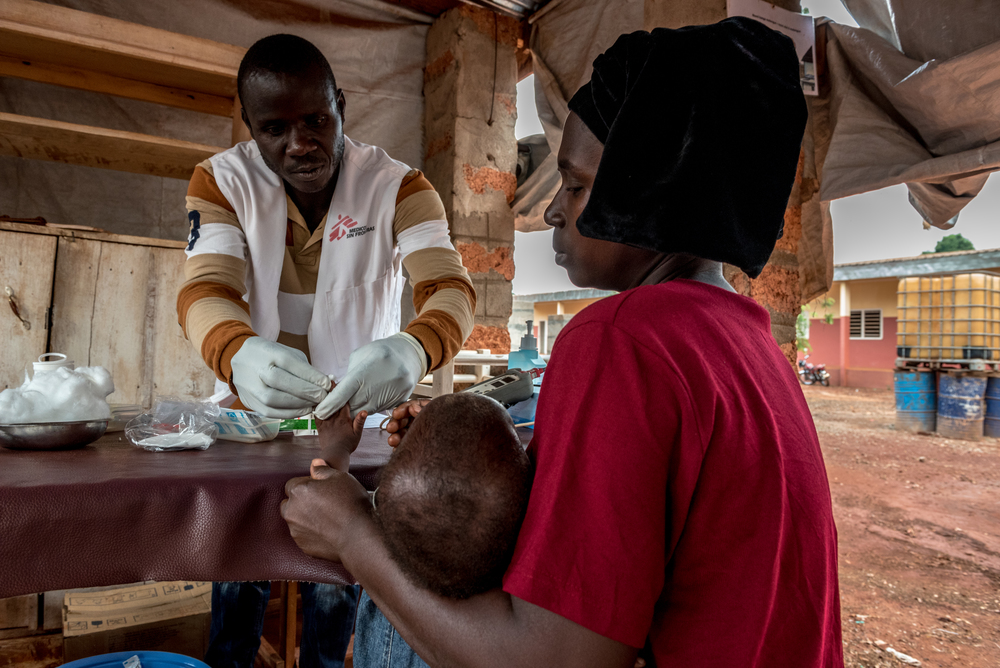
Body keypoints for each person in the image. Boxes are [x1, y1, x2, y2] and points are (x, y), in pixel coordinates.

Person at [281, 17, 844, 668]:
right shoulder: (748, 346)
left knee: (391, 602)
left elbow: (550, 659)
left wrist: (355, 536)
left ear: (650, 192)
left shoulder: (622, 340)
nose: (552, 209)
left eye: (574, 186)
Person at [176, 34, 476, 668]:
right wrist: (237, 354)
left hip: (349, 423)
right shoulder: (220, 181)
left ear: (342, 105)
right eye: (274, 128)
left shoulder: (399, 187)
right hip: (250, 419)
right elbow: (206, 291)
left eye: (317, 121)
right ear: (249, 127)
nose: (300, 145)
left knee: (335, 593)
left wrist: (412, 351)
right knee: (238, 585)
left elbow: (450, 289)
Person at [316, 392, 531, 600]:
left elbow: (327, 500)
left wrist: (338, 447)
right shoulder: (503, 598)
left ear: (380, 508)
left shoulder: (391, 587)